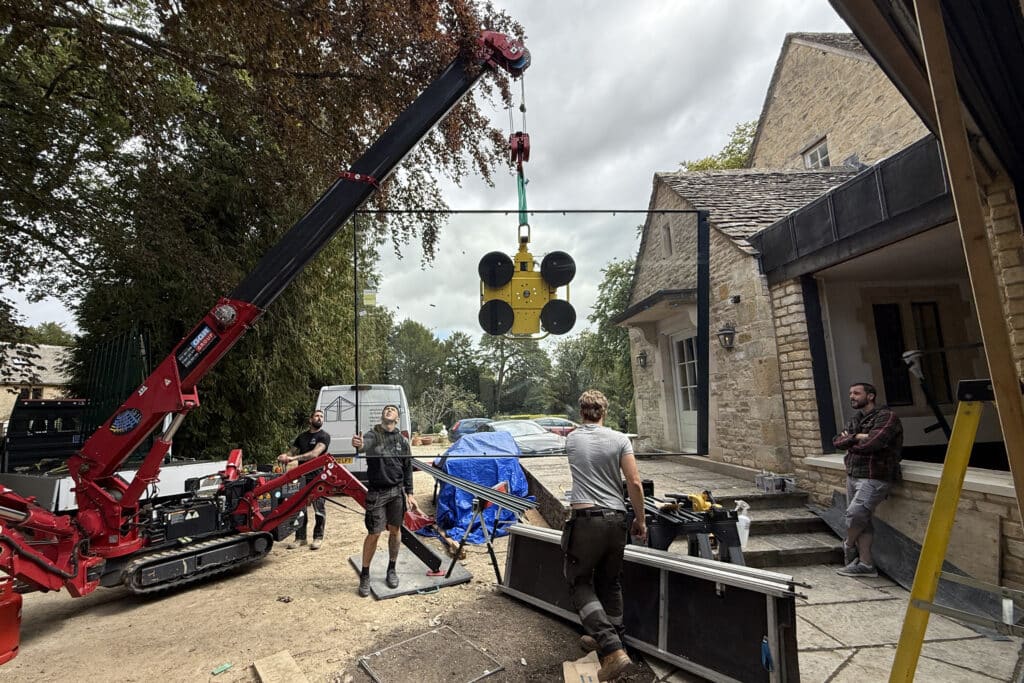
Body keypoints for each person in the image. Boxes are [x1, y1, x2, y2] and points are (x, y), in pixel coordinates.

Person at [562, 389, 647, 682]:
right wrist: (641, 520)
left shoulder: (572, 438)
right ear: (605, 412)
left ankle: (612, 649)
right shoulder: (621, 439)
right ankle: (612, 640)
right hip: (617, 520)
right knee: (610, 582)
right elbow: (634, 482)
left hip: (587, 522)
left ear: (581, 412)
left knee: (579, 580)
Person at [832, 381, 903, 578]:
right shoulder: (856, 418)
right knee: (863, 520)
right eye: (850, 393)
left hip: (875, 477)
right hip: (853, 474)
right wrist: (858, 437)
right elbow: (837, 441)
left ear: (870, 396)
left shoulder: (887, 417)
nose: (851, 397)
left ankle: (847, 545)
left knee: (855, 515)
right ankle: (865, 564)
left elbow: (874, 443)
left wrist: (851, 440)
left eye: (856, 393)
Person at [351, 404, 418, 597]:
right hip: (377, 493)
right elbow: (362, 446)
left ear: (397, 418)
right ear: (383, 416)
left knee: (395, 530)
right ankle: (365, 574)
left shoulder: (402, 441)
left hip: (397, 492)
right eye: (386, 409)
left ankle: (391, 569)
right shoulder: (373, 435)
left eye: (392, 409)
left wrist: (410, 493)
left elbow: (407, 468)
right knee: (374, 533)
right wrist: (358, 444)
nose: (388, 410)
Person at [278, 409, 331, 550]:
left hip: (319, 477)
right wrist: (285, 456)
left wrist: (292, 458)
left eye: (321, 416)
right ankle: (300, 538)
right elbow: (291, 451)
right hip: (302, 478)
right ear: (310, 419)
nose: (319, 418)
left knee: (319, 508)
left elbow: (314, 455)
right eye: (317, 416)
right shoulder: (301, 437)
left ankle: (318, 538)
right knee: (299, 508)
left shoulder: (324, 436)